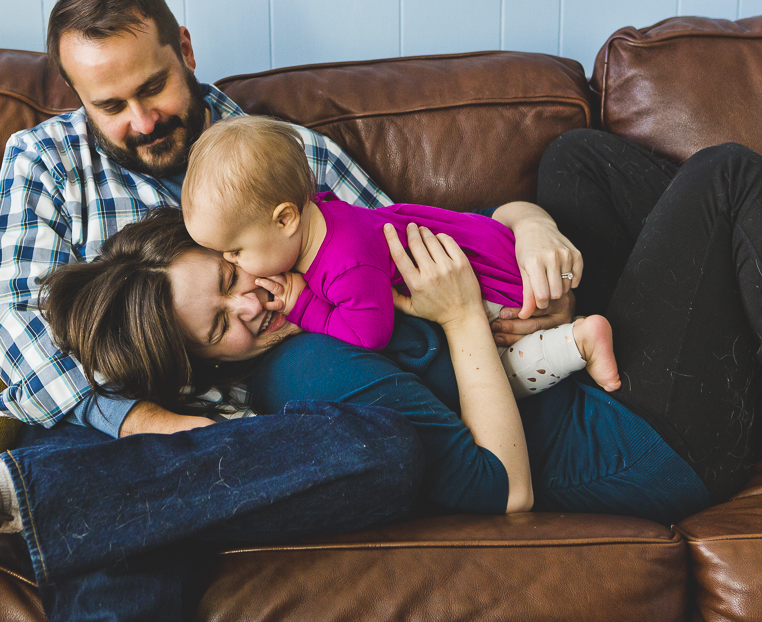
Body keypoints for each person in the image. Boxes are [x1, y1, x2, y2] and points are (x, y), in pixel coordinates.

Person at [0, 0, 580, 621]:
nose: (140, 120)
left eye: (152, 87)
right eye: (110, 105)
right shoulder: (46, 157)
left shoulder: (288, 152)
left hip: (269, 434)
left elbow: (385, 259)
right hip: (93, 422)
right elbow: (13, 318)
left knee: (384, 446)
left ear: (184, 50)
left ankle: (11, 502)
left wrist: (507, 286)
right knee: (125, 563)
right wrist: (143, 422)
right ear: (78, 98)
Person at [40, 135, 762, 528]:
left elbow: (465, 230)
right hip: (639, 436)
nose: (253, 298)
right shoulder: (311, 366)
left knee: (575, 159)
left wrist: (535, 232)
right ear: (202, 364)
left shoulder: (315, 266)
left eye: (230, 273)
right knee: (725, 176)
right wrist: (461, 317)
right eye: (222, 323)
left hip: (583, 346)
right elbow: (507, 490)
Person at [180, 115, 620, 398]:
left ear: (285, 219)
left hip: (496, 294)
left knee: (500, 377)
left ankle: (579, 341)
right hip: (490, 249)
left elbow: (367, 333)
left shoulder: (345, 265)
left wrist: (305, 306)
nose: (236, 264)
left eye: (234, 252)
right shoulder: (326, 211)